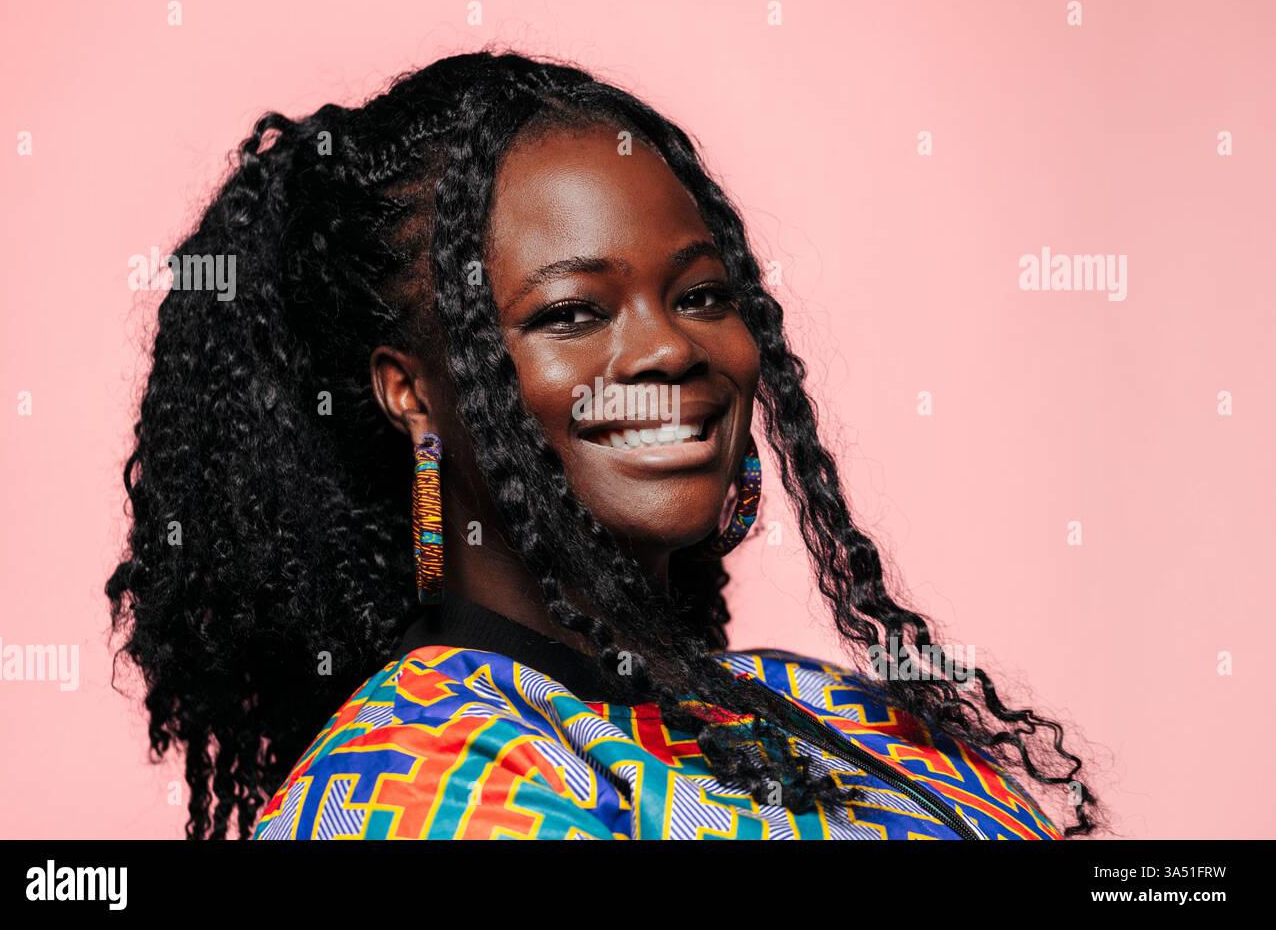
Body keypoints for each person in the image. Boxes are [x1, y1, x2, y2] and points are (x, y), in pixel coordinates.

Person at [107, 47, 1103, 840]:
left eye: (702, 295)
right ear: (410, 393)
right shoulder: (410, 787)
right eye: (574, 311)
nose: (671, 347)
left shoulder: (842, 716)